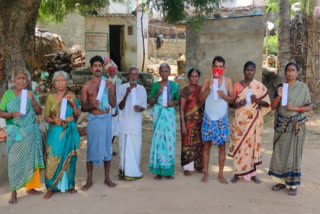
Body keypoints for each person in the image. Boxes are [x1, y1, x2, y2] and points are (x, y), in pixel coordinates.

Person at [0, 66, 44, 204]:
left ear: (27, 80)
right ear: (14, 80)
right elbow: (0, 112)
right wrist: (11, 115)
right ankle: (14, 191)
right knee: (14, 162)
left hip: (31, 131)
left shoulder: (31, 94)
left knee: (32, 160)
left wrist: (34, 101)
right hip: (16, 133)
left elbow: (39, 112)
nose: (21, 80)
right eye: (18, 78)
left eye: (24, 78)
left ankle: (31, 188)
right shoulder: (8, 94)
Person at [268, 62, 312, 196]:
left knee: (294, 154)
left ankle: (293, 184)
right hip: (281, 125)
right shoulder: (281, 87)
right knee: (280, 152)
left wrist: (295, 109)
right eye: (288, 70)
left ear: (298, 73)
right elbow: (273, 106)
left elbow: (309, 107)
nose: (290, 73)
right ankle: (281, 181)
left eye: (293, 70)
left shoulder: (302, 88)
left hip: (296, 126)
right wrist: (279, 95)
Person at [228, 61, 271, 184]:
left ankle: (253, 174)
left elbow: (267, 103)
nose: (249, 72)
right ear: (244, 71)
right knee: (239, 146)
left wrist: (257, 100)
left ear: (255, 71)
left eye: (251, 70)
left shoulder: (259, 86)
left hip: (253, 123)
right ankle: (237, 173)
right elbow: (231, 103)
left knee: (252, 147)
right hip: (240, 122)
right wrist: (238, 104)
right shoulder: (237, 86)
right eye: (247, 69)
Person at [80, 56, 117, 191]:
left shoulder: (107, 84)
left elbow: (113, 104)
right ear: (91, 68)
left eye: (99, 66)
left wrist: (111, 91)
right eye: (94, 65)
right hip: (94, 120)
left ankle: (107, 178)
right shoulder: (86, 86)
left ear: (103, 68)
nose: (97, 68)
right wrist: (92, 105)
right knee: (91, 149)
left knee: (108, 148)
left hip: (106, 119)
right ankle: (89, 180)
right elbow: (83, 107)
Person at [43, 71, 81, 199]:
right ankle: (51, 187)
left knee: (70, 158)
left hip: (69, 131)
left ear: (66, 82)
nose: (60, 83)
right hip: (55, 132)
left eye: (62, 80)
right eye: (57, 80)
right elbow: (46, 116)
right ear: (54, 83)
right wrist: (53, 120)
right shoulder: (50, 98)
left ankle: (70, 185)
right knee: (53, 157)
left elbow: (77, 114)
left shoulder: (72, 96)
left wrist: (73, 104)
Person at [199, 56, 234, 184]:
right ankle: (206, 173)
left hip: (221, 119)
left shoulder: (228, 81)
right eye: (216, 66)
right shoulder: (207, 79)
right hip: (208, 118)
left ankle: (220, 175)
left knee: (222, 148)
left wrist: (224, 95)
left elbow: (232, 100)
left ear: (223, 68)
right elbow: (200, 98)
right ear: (212, 67)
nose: (218, 69)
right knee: (206, 147)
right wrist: (208, 88)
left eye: (220, 67)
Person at [148, 63, 179, 180]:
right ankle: (159, 171)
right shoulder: (156, 85)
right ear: (159, 73)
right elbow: (150, 102)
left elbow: (178, 99)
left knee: (169, 143)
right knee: (158, 142)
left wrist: (173, 103)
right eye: (162, 71)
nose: (164, 73)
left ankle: (169, 171)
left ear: (169, 72)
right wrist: (158, 93)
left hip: (169, 116)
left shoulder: (174, 85)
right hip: (159, 114)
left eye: (166, 71)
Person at [117, 66, 147, 181]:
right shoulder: (122, 88)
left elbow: (144, 106)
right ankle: (123, 171)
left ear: (138, 76)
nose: (133, 76)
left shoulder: (142, 89)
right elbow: (120, 106)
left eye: (135, 74)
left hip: (136, 125)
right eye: (131, 74)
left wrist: (139, 108)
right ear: (128, 76)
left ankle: (133, 172)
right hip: (124, 125)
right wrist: (126, 94)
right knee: (123, 148)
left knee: (135, 148)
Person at [180, 68, 204, 176]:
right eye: (192, 76)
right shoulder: (185, 91)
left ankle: (199, 165)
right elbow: (181, 109)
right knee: (187, 143)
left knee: (199, 144)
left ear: (199, 78)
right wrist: (183, 125)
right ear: (189, 78)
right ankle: (187, 167)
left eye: (196, 76)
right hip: (188, 123)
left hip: (200, 122)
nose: (194, 78)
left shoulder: (202, 90)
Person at [106, 64, 122, 155]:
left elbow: (120, 95)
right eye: (110, 72)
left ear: (116, 73)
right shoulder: (105, 82)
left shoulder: (119, 81)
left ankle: (109, 148)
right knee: (107, 130)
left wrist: (117, 108)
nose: (112, 74)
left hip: (116, 107)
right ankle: (107, 149)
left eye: (114, 72)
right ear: (108, 73)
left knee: (115, 130)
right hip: (107, 108)